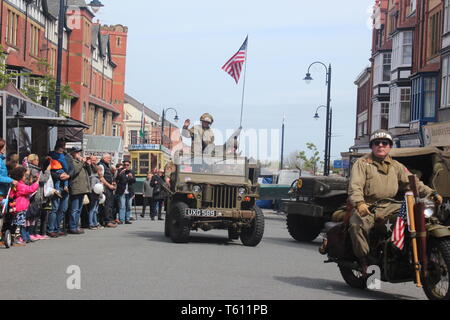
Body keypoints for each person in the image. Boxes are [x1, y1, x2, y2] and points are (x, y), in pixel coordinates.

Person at [348, 129, 443, 273]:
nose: (381, 145)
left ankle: (406, 252)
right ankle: (364, 260)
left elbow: (413, 182)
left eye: (385, 143)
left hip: (391, 205)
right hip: (368, 206)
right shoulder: (362, 163)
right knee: (356, 224)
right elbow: (355, 186)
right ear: (372, 146)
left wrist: (432, 193)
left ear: (390, 146)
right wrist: (359, 203)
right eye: (376, 143)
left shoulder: (396, 165)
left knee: (418, 217)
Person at [47, 140, 72, 238]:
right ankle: (51, 229)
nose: (63, 148)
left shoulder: (66, 156)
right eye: (62, 146)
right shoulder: (51, 156)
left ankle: (57, 228)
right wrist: (59, 176)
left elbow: (72, 169)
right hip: (56, 183)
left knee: (63, 208)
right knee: (55, 208)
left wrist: (68, 175)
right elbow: (47, 170)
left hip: (65, 182)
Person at [9, 166, 39, 244]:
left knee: (18, 223)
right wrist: (37, 183)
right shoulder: (19, 185)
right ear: (19, 176)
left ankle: (16, 237)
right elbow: (30, 189)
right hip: (20, 207)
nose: (25, 177)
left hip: (19, 206)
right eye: (24, 175)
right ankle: (17, 238)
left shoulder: (19, 184)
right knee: (19, 223)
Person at [27, 154, 51, 240]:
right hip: (35, 194)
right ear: (32, 160)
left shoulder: (36, 169)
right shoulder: (33, 169)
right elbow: (43, 179)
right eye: (36, 159)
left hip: (39, 193)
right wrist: (47, 171)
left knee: (36, 214)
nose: (37, 161)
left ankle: (34, 233)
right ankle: (31, 233)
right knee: (33, 214)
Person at [67, 147, 90, 234]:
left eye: (79, 152)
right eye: (77, 152)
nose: (79, 154)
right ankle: (72, 227)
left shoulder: (80, 162)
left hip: (82, 188)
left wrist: (87, 164)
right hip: (76, 187)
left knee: (79, 209)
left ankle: (76, 225)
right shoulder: (72, 161)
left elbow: (89, 172)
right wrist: (82, 162)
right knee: (74, 209)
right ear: (73, 153)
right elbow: (75, 171)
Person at [97, 154, 117, 228]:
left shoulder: (106, 165)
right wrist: (109, 185)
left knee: (110, 204)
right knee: (107, 205)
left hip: (109, 188)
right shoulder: (101, 165)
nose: (109, 160)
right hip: (105, 188)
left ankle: (109, 219)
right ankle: (107, 221)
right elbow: (101, 178)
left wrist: (112, 182)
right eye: (108, 158)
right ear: (104, 158)